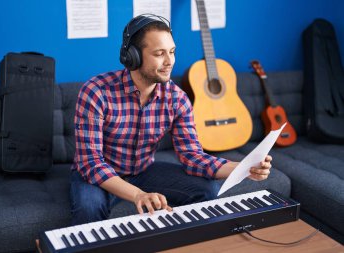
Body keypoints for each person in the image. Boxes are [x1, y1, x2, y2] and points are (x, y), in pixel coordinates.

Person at [70, 14, 272, 226]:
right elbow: (90, 162)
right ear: (133, 57)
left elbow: (192, 156)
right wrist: (138, 195)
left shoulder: (177, 99)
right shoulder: (96, 91)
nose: (170, 62)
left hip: (143, 170)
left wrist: (244, 168)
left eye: (172, 52)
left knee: (208, 190)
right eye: (159, 54)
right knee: (89, 208)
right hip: (101, 172)